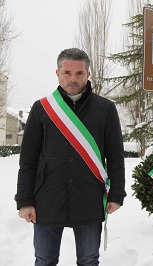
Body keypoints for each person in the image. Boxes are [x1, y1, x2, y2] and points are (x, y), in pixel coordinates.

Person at [15, 48, 126, 266]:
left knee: (88, 260)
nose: (73, 79)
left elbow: (115, 156)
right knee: (44, 260)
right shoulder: (41, 109)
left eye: (79, 73)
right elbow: (28, 158)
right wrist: (25, 200)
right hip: (47, 199)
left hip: (90, 199)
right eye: (67, 72)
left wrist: (116, 195)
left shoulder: (106, 109)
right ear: (57, 73)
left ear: (88, 74)